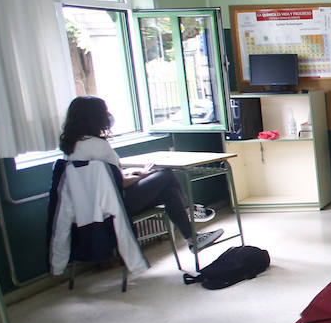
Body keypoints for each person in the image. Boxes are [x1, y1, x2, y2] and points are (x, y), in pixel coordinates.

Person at [58, 96, 222, 254]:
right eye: (105, 111)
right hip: (114, 206)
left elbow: (105, 178)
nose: (108, 115)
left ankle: (193, 239)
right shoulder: (99, 146)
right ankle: (189, 210)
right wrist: (142, 175)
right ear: (94, 117)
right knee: (166, 174)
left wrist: (131, 173)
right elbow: (119, 183)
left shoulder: (70, 147)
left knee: (169, 192)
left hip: (91, 207)